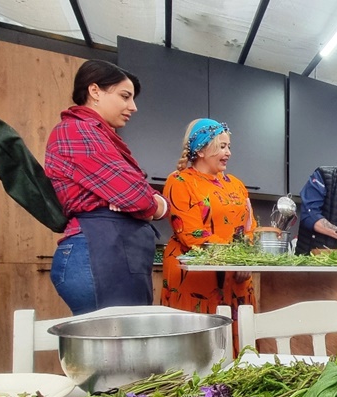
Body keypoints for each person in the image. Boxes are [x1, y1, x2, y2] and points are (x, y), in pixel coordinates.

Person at [45, 60, 168, 315]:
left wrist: (147, 203)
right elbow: (137, 196)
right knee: (112, 338)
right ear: (95, 91)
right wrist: (149, 205)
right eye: (125, 96)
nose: (133, 107)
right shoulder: (76, 131)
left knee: (122, 337)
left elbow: (138, 195)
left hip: (111, 251)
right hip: (98, 252)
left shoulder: (100, 136)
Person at [161, 118, 255, 351]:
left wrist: (247, 260)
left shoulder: (237, 185)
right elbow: (192, 235)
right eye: (221, 146)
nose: (228, 153)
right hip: (195, 278)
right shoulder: (179, 181)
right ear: (201, 150)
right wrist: (237, 259)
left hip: (237, 278)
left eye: (229, 146)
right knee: (198, 349)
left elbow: (249, 226)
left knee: (240, 347)